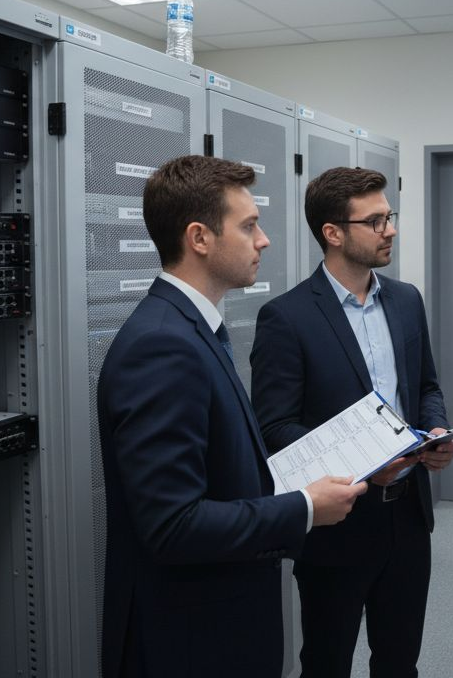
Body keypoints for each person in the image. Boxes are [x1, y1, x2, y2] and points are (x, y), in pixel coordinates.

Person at [97, 155, 366, 678]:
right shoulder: (161, 345)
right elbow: (174, 525)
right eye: (248, 226)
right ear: (199, 237)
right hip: (191, 642)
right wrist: (304, 508)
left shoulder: (192, 330)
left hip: (215, 624)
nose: (263, 240)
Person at [251, 166, 453, 678]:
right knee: (327, 661)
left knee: (399, 659)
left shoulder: (406, 300)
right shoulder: (287, 317)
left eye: (390, 216)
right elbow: (275, 428)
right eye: (376, 221)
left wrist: (435, 431)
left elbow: (426, 386)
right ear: (333, 232)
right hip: (335, 528)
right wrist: (363, 466)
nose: (391, 229)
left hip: (409, 519)